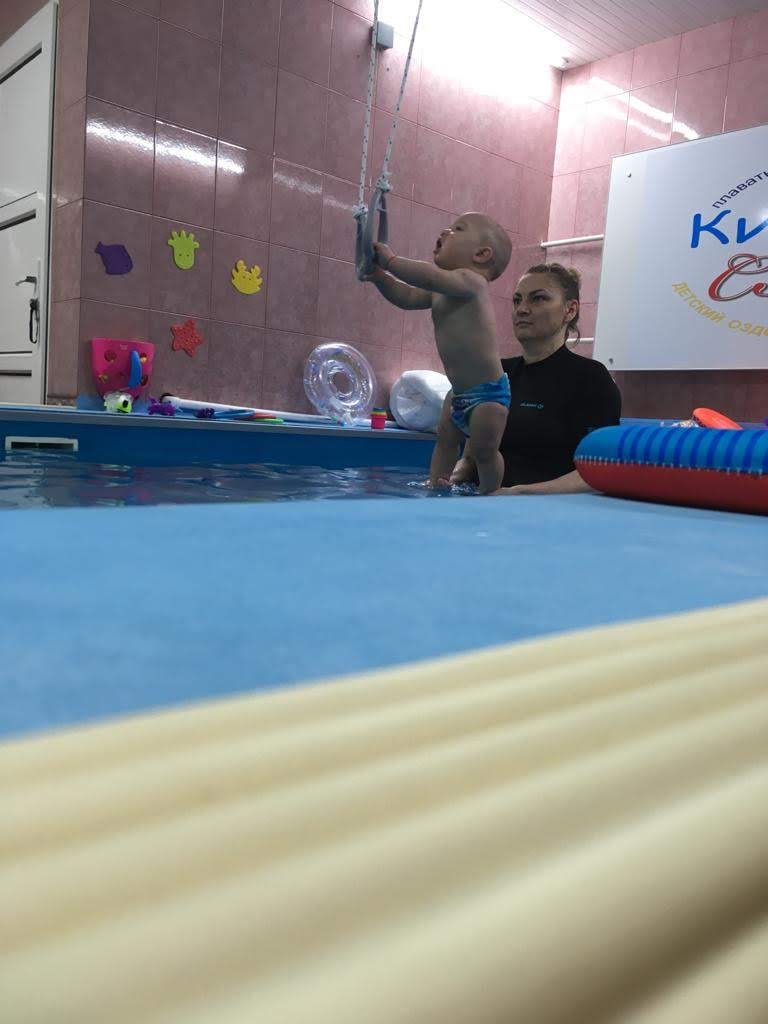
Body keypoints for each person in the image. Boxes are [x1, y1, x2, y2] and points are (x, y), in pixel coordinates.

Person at [365, 212, 512, 494]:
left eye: (458, 229)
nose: (446, 231)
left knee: (484, 451)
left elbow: (430, 277)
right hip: (457, 393)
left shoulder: (472, 282)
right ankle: (437, 484)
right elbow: (407, 297)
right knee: (445, 441)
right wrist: (379, 278)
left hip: (488, 394)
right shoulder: (441, 291)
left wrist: (390, 262)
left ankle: (490, 493)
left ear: (481, 254)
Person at [450, 262, 621, 495]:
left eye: (538, 298)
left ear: (570, 310)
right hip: (481, 501)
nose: (521, 309)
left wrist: (519, 493)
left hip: (542, 509)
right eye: (517, 300)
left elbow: (599, 471)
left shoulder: (591, 379)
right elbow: (472, 455)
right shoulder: (497, 373)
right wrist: (456, 474)